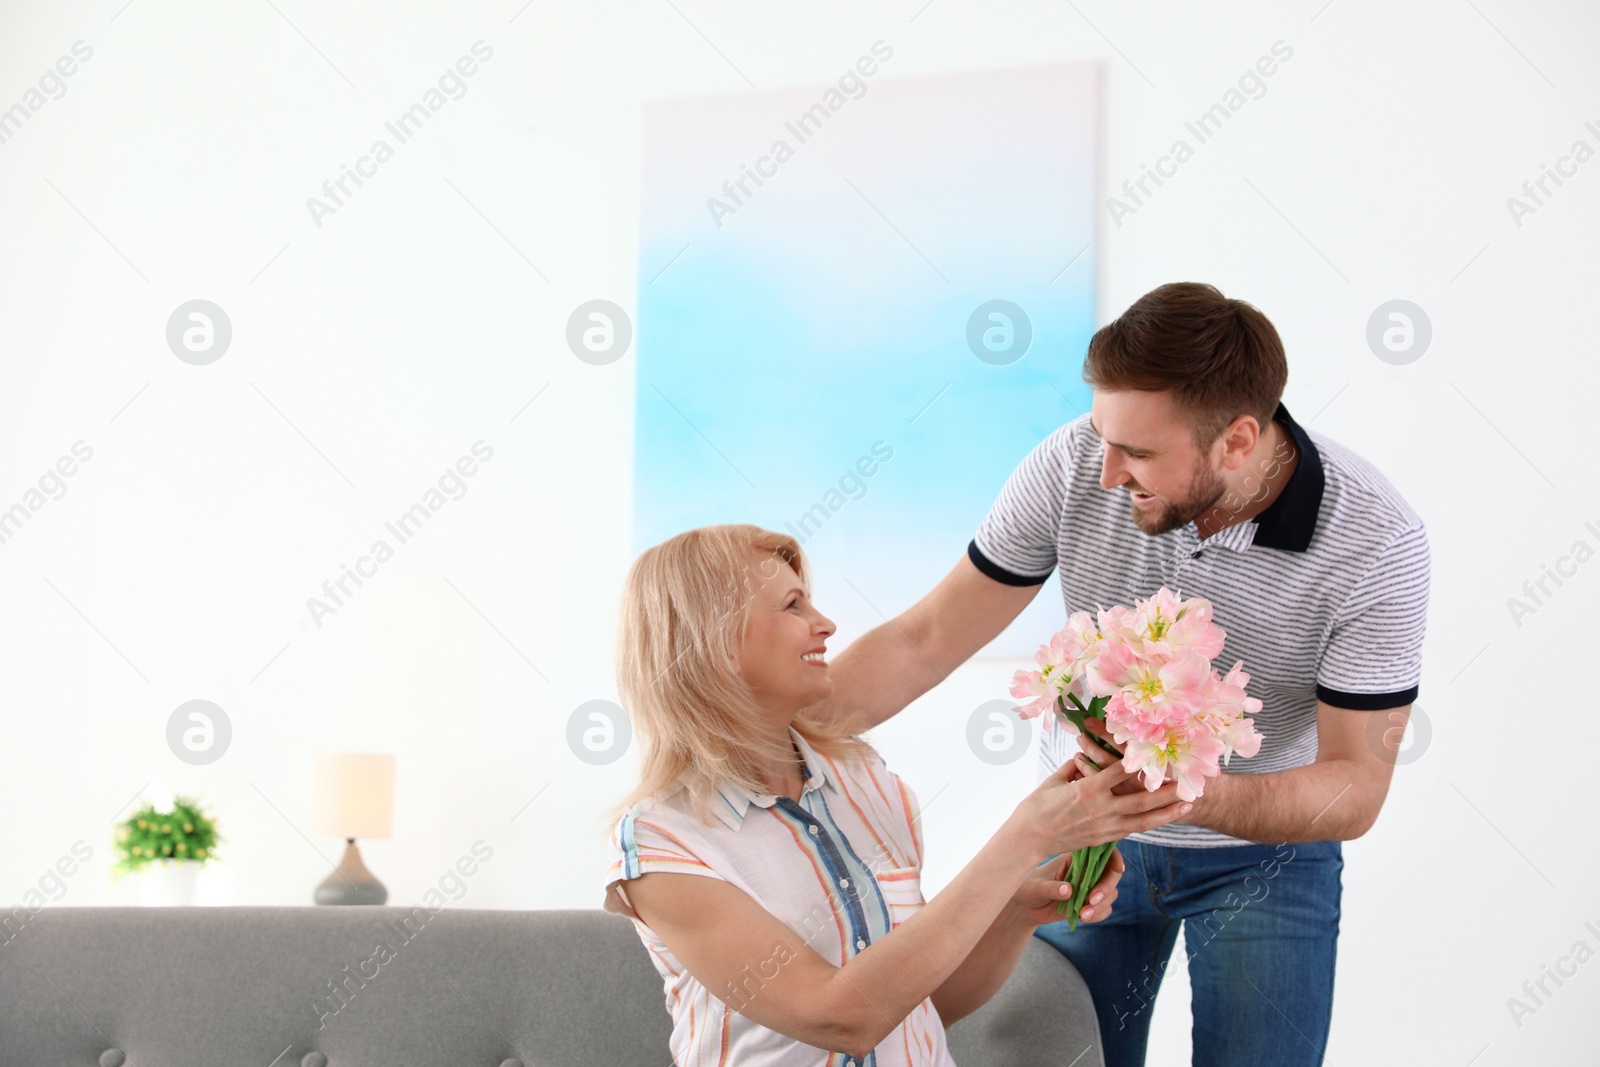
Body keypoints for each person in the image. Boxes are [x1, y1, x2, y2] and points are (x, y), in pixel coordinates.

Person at [810, 281, 1430, 1067]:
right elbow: (926, 638)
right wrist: (749, 738)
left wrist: (1175, 793)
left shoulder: (1376, 542)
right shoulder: (1073, 462)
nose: (1105, 473)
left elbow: (1355, 785)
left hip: (1266, 857)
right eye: (1103, 435)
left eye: (1137, 451)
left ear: (1238, 441)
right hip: (1081, 836)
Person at [602, 523, 1194, 1064]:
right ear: (718, 643)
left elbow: (917, 1004)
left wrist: (1016, 910)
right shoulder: (660, 843)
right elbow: (843, 1018)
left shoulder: (866, 781)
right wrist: (1024, 838)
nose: (825, 624)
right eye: (793, 605)